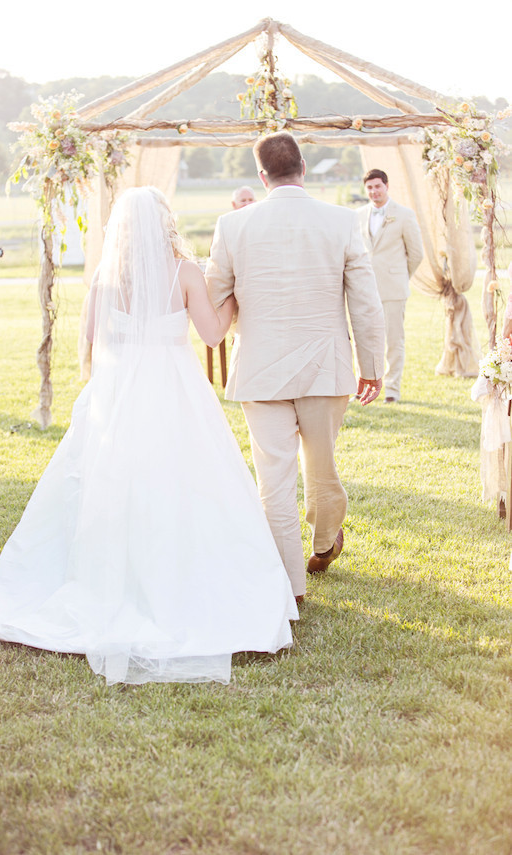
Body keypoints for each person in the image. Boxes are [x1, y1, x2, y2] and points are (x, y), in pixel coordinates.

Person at [0, 187, 298, 686]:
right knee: (188, 479)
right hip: (175, 390)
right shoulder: (184, 272)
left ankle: (118, 577)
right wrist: (235, 299)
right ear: (164, 222)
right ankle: (181, 576)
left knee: (118, 481)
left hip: (119, 391)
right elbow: (212, 334)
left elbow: (91, 338)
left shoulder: (105, 276)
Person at [206, 132, 385, 602]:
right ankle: (324, 542)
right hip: (325, 366)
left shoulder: (231, 225)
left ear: (262, 176)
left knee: (274, 481)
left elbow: (214, 295)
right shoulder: (342, 221)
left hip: (259, 368)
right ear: (303, 167)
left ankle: (290, 588)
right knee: (321, 468)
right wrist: (371, 366)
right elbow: (366, 303)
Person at [358, 169, 424, 403]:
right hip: (364, 289)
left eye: (378, 186)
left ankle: (392, 389)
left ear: (386, 186)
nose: (374, 191)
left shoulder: (404, 215)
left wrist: (400, 276)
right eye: (369, 187)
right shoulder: (358, 215)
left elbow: (416, 253)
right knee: (363, 339)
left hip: (393, 288)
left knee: (394, 341)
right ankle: (362, 386)